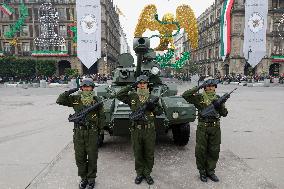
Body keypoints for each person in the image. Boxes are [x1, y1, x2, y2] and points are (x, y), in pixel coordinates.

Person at [56, 78, 105, 189]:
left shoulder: (97, 100)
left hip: (92, 132)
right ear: (81, 88)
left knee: (92, 157)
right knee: (80, 157)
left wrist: (100, 133)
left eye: (88, 87)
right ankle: (84, 178)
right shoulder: (76, 99)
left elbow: (102, 118)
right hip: (79, 133)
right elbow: (60, 100)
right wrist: (72, 90)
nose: (86, 89)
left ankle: (91, 179)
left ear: (92, 88)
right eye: (84, 86)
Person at [116, 75, 163, 185]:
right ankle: (139, 173)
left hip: (149, 130)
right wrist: (130, 86)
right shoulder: (132, 96)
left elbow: (160, 111)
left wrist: (153, 107)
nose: (142, 85)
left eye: (144, 83)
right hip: (136, 130)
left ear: (147, 84)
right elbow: (119, 95)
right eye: (140, 83)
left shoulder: (152, 97)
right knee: (138, 153)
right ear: (137, 84)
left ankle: (147, 173)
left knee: (149, 153)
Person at [182, 77, 228, 182]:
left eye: (212, 86)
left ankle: (210, 171)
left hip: (215, 127)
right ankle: (202, 172)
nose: (210, 88)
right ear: (205, 87)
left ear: (215, 87)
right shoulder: (199, 98)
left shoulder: (218, 98)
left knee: (214, 150)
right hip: (203, 127)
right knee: (201, 150)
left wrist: (219, 105)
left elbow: (224, 114)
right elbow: (185, 95)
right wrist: (199, 86)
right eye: (208, 86)